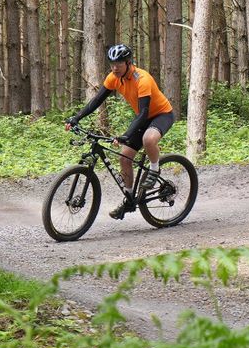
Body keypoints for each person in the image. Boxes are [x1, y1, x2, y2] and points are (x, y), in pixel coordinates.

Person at [66, 43, 176, 219]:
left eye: (118, 63)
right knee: (124, 158)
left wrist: (126, 134)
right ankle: (129, 199)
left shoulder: (143, 79)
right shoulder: (113, 78)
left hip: (161, 114)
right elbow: (96, 101)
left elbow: (143, 113)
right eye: (112, 63)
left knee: (149, 139)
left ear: (128, 62)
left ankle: (154, 169)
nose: (114, 67)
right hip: (143, 117)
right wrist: (76, 118)